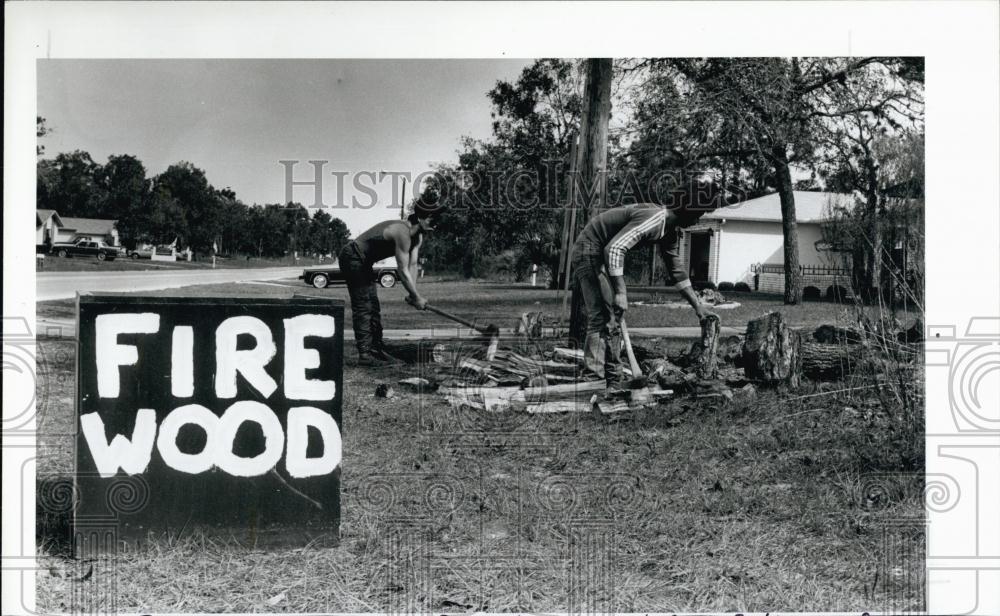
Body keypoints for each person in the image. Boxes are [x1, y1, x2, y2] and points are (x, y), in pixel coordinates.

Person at [572, 183, 720, 387]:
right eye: (699, 213)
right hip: (588, 249)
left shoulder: (669, 230)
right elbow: (614, 249)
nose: (698, 219)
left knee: (612, 317)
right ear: (689, 209)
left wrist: (698, 307)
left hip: (601, 252)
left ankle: (613, 377)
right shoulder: (655, 217)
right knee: (601, 316)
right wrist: (621, 292)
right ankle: (593, 379)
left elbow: (677, 271)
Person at [338, 200, 436, 366]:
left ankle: (376, 349)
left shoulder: (417, 237)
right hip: (352, 256)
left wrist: (413, 294)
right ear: (420, 218)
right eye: (432, 219)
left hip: (364, 261)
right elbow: (402, 270)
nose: (435, 223)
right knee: (363, 305)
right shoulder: (402, 232)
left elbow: (412, 265)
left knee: (373, 306)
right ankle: (365, 355)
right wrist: (417, 297)